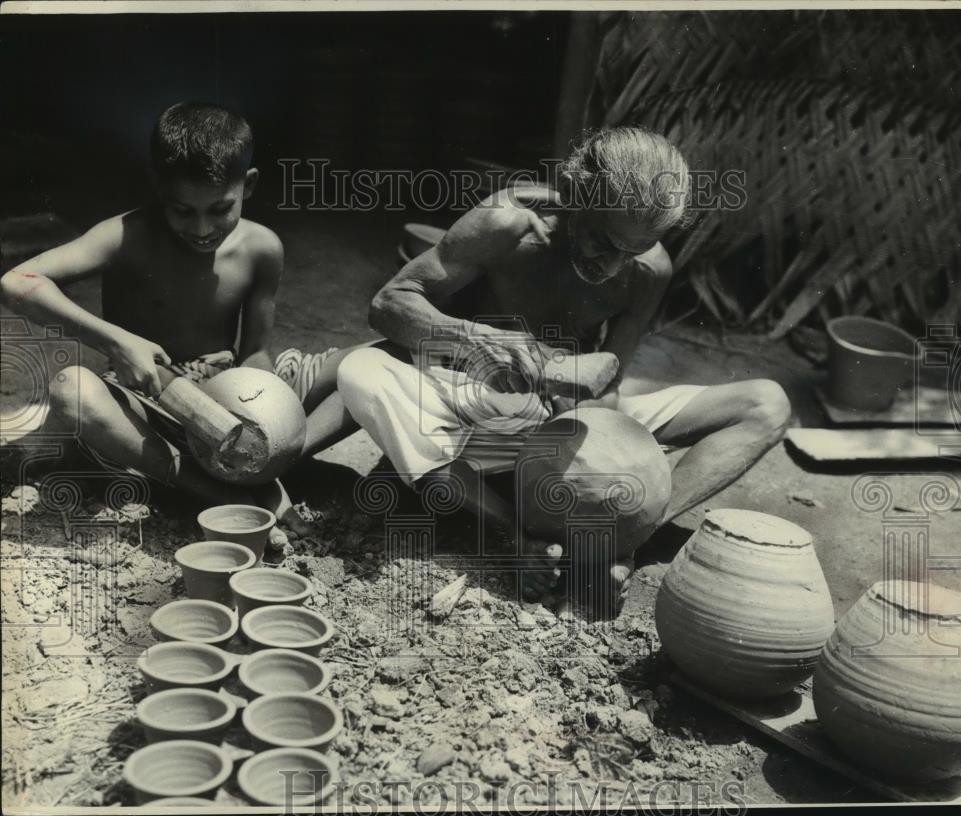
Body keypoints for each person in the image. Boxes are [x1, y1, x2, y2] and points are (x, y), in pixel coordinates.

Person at [337, 126, 791, 604]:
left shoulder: (649, 270)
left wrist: (592, 439)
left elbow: (610, 387)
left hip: (570, 423)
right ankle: (516, 534)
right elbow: (389, 305)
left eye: (631, 252)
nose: (613, 266)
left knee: (766, 404)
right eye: (603, 241)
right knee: (363, 371)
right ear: (575, 194)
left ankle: (626, 537)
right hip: (481, 413)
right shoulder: (506, 223)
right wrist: (479, 338)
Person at [0, 102, 359, 536]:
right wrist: (116, 342)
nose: (203, 228)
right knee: (72, 390)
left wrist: (264, 414)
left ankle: (269, 467)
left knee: (367, 364)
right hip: (151, 398)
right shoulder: (125, 237)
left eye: (220, 209)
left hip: (231, 386)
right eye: (182, 210)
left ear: (248, 185)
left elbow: (256, 352)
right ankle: (214, 490)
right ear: (158, 188)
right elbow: (17, 283)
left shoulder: (262, 247)